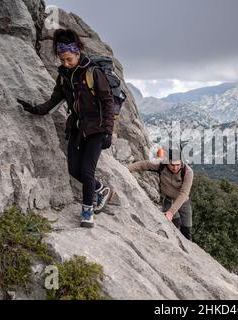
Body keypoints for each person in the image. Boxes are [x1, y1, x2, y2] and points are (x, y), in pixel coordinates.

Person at [17, 29, 115, 228]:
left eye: (69, 59)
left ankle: (87, 212)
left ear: (77, 52)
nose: (66, 63)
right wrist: (35, 110)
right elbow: (54, 100)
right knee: (73, 169)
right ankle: (101, 189)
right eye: (62, 60)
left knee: (87, 171)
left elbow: (108, 102)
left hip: (96, 128)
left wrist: (108, 132)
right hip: (78, 128)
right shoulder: (63, 76)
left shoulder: (93, 73)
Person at [128, 149, 194, 241]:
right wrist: (125, 169)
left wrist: (171, 212)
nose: (175, 168)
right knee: (173, 225)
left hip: (182, 201)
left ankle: (188, 250)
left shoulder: (188, 172)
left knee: (187, 228)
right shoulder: (161, 165)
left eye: (178, 165)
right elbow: (142, 165)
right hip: (168, 199)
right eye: (172, 165)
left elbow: (184, 193)